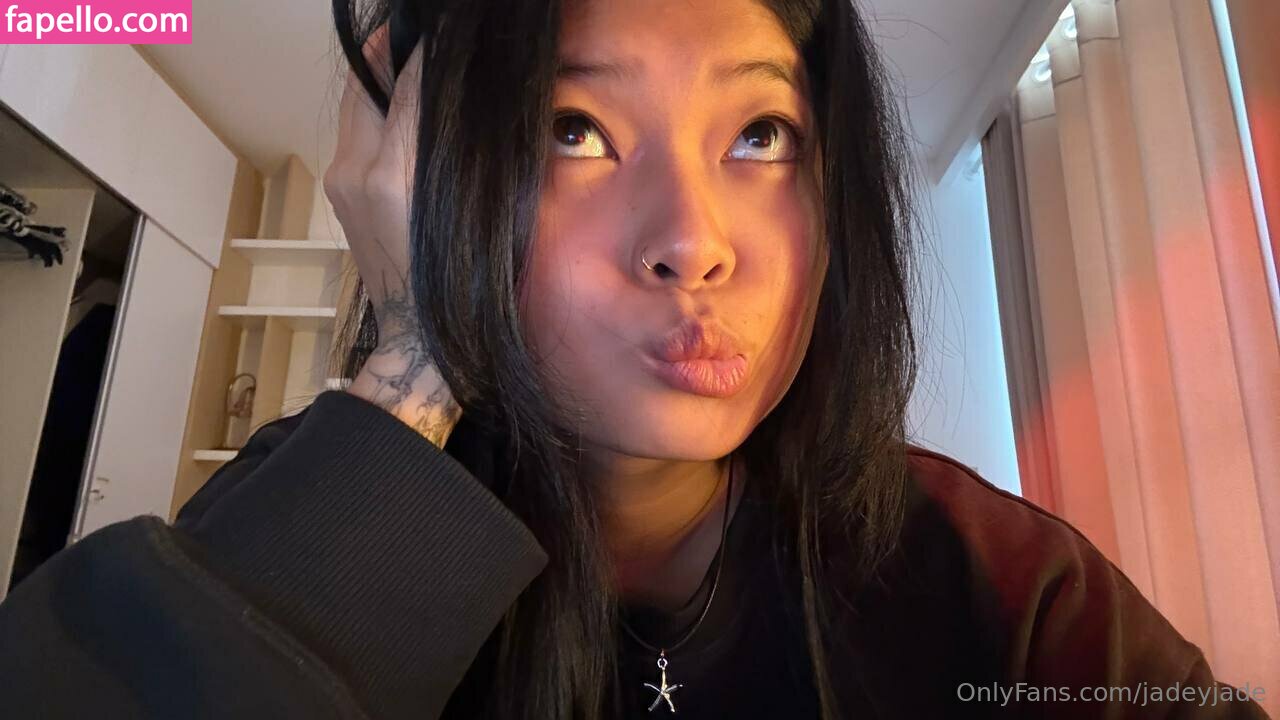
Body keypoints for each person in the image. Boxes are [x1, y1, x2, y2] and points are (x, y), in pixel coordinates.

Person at [0, 0, 1270, 718]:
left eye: (760, 134)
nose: (692, 243)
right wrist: (419, 349)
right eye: (574, 129)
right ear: (436, 185)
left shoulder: (994, 579)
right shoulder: (319, 524)